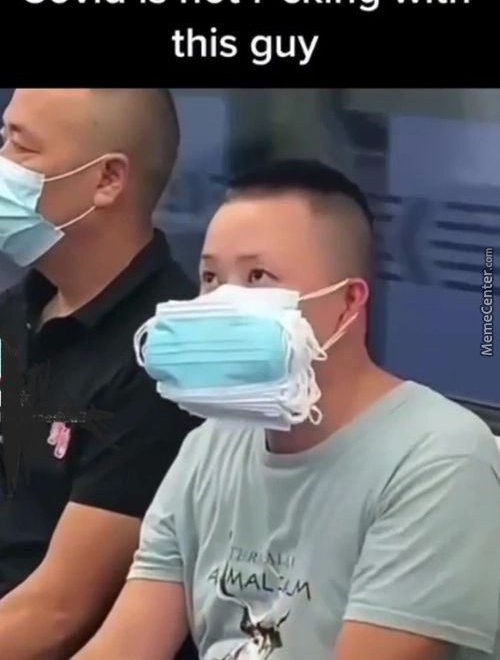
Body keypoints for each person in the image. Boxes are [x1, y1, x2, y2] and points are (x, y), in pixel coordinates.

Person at [74, 160, 500, 660]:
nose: (221, 302)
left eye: (258, 276)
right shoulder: (208, 447)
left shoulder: (438, 460)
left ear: (348, 303)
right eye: (210, 277)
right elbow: (126, 644)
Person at [0, 88, 199, 659]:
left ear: (107, 179)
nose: (3, 161)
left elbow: (58, 611)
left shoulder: (162, 361)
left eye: (21, 147)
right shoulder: (17, 309)